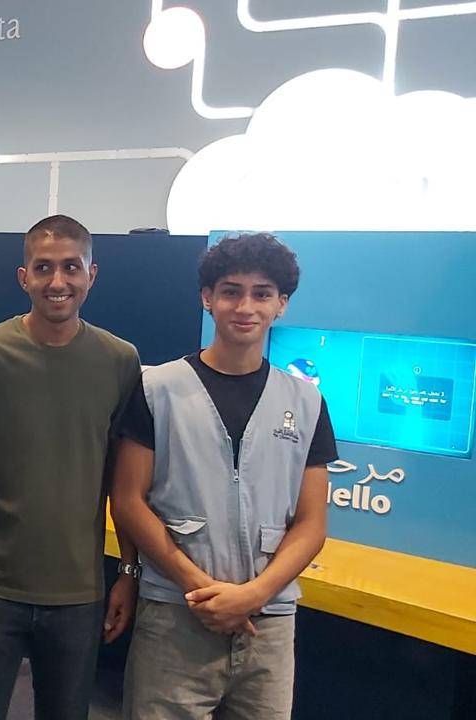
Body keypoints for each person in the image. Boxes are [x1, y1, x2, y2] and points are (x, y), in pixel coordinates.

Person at [111, 232, 336, 720]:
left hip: (268, 624)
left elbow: (312, 523)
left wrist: (253, 594)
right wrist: (200, 589)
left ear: (281, 304)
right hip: (175, 615)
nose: (245, 306)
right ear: (207, 298)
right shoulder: (157, 388)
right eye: (231, 291)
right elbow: (128, 499)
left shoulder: (306, 402)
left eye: (262, 293)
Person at [0, 215, 142, 720]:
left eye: (71, 267)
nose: (58, 281)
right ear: (24, 277)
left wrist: (127, 571)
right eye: (44, 267)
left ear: (91, 274)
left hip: (77, 594)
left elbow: (125, 482)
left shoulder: (120, 361)